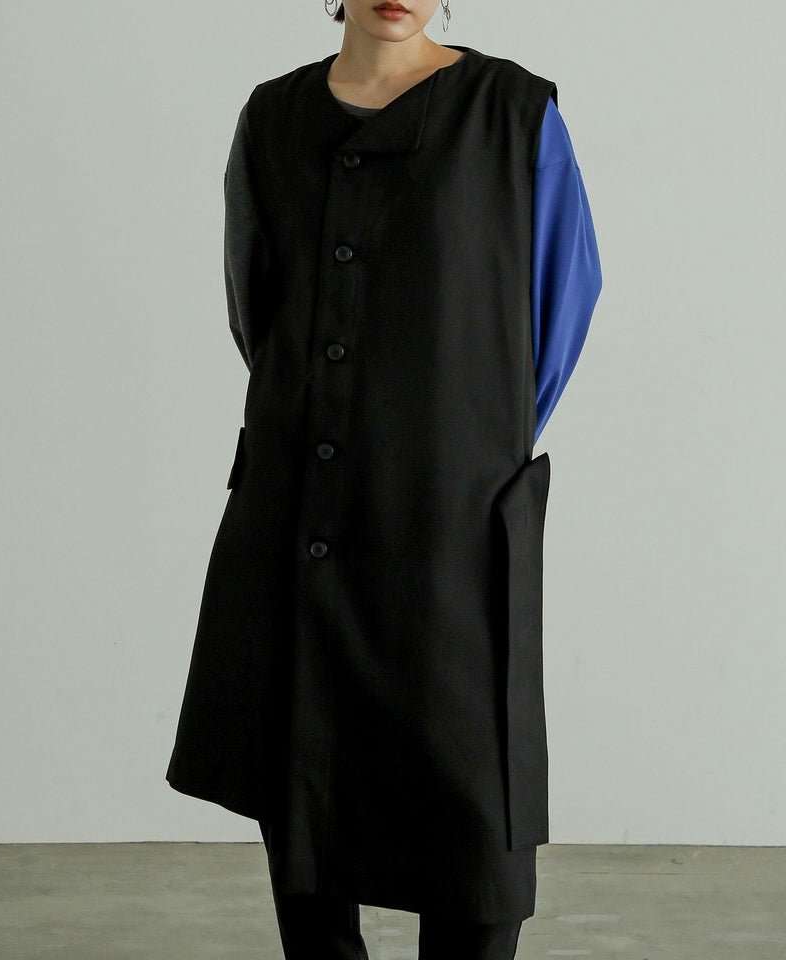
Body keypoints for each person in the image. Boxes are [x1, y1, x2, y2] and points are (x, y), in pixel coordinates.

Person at [166, 2, 602, 958]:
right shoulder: (273, 115)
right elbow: (257, 304)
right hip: (299, 500)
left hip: (452, 509)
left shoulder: (512, 111)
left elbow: (562, 304)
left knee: (474, 800)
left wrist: (462, 432)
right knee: (302, 773)